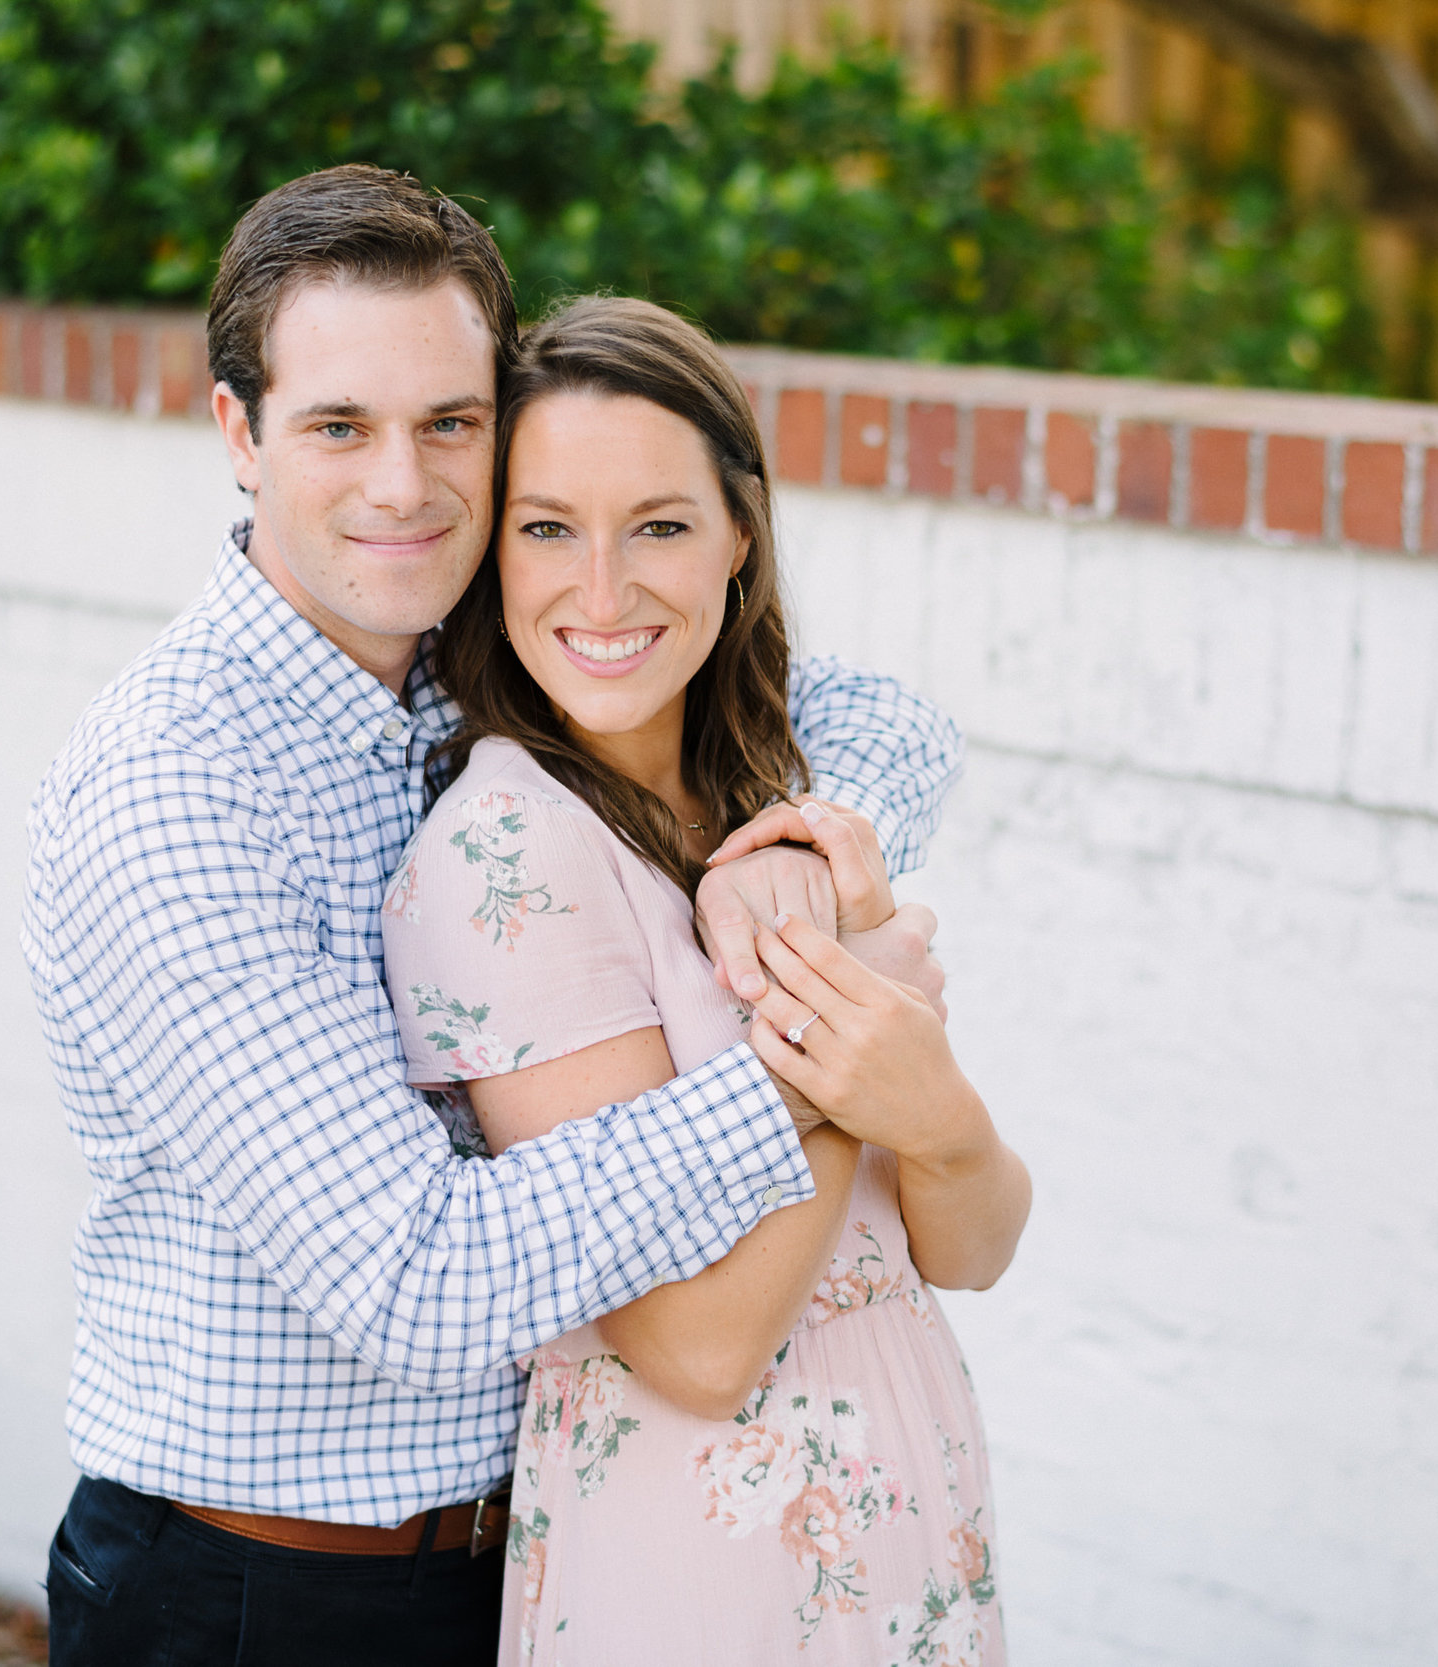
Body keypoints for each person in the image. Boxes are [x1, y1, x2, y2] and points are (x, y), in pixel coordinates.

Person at [21, 166, 965, 1666]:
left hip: (524, 1562)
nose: (403, 484)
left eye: (448, 424)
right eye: (339, 425)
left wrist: (797, 842)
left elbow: (883, 718)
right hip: (266, 1599)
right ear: (238, 434)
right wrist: (814, 1046)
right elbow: (416, 1276)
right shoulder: (177, 794)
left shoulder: (480, 657)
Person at [380, 295, 1030, 1665]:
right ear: (492, 551)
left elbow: (970, 1246)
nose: (602, 592)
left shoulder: (779, 807)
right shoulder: (506, 856)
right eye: (547, 527)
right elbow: (695, 1352)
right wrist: (853, 1041)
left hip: (904, 1504)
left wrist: (940, 1114)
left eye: (660, 526)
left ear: (741, 532)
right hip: (703, 1560)